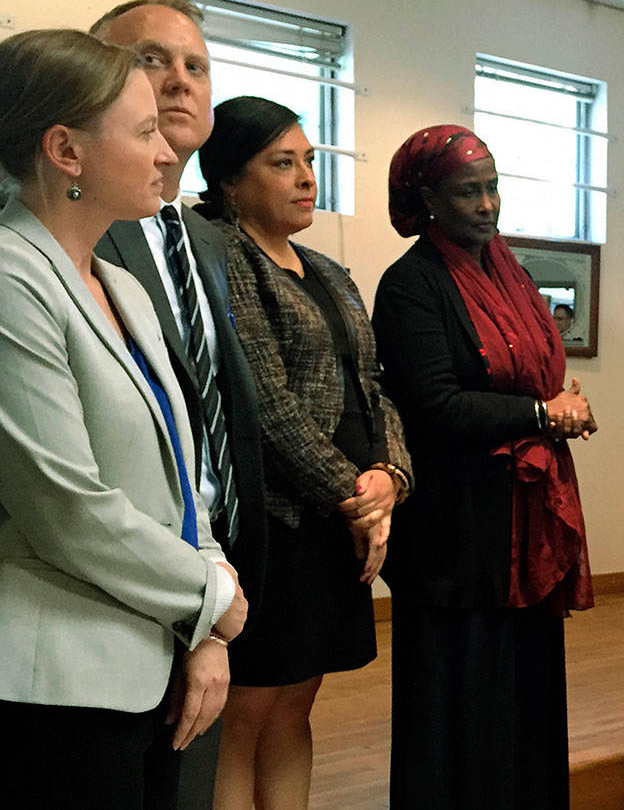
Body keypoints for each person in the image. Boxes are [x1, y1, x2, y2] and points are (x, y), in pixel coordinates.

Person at [0, 28, 247, 808]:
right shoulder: (12, 280)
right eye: (144, 133)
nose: (168, 153)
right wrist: (210, 598)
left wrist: (205, 620)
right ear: (66, 151)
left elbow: (180, 478)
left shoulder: (119, 283)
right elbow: (66, 508)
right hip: (56, 687)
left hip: (150, 659)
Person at [195, 96, 411, 809]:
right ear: (230, 179)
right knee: (249, 712)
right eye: (281, 163)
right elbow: (266, 404)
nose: (305, 178)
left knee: (297, 703)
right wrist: (354, 494)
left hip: (337, 524)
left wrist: (389, 478)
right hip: (277, 524)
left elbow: (373, 385)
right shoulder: (223, 258)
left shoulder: (327, 268)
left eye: (310, 162)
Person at [372, 124, 596, 809]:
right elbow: (434, 405)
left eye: (492, 187)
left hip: (521, 523)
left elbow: (538, 373)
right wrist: (541, 416)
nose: (487, 204)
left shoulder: (511, 272)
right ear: (429, 199)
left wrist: (563, 403)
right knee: (455, 701)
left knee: (523, 691)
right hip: (455, 530)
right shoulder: (411, 284)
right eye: (468, 192)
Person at [91, 0, 269, 805]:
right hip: (119, 583)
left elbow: (219, 406)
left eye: (196, 65)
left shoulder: (196, 233)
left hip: (214, 570)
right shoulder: (80, 224)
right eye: (153, 59)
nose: (178, 81)